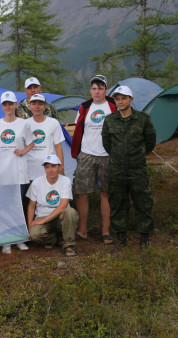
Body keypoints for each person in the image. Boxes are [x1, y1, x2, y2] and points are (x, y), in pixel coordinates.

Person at [102, 86, 156, 249]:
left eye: (123, 98)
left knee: (143, 203)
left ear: (131, 99)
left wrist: (137, 156)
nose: (120, 101)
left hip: (137, 170)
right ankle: (121, 237)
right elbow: (107, 144)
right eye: (117, 99)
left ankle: (144, 237)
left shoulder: (143, 119)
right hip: (117, 170)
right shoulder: (110, 120)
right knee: (118, 203)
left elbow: (150, 142)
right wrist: (118, 158)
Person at [71, 74, 117, 244]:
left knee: (106, 193)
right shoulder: (85, 107)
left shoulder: (113, 106)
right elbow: (78, 130)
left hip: (107, 155)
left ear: (106, 90)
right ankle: (82, 231)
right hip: (86, 154)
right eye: (94, 88)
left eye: (100, 88)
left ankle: (106, 231)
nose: (97, 91)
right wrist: (76, 152)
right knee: (82, 192)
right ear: (90, 90)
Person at [0, 91, 34, 254]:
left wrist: (23, 151)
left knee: (19, 206)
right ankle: (6, 239)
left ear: (16, 105)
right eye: (5, 104)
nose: (8, 107)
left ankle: (20, 237)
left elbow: (31, 143)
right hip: (2, 172)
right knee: (5, 206)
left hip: (19, 172)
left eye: (10, 103)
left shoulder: (24, 124)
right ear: (2, 106)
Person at [26, 154, 79, 257]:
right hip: (42, 215)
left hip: (60, 217)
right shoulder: (37, 182)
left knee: (70, 212)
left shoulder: (65, 181)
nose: (50, 170)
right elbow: (31, 206)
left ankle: (69, 245)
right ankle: (55, 239)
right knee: (34, 234)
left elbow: (63, 206)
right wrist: (29, 227)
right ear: (44, 169)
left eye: (53, 166)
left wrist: (43, 221)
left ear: (59, 167)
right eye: (47, 167)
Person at [26, 94, 65, 181]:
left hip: (50, 171)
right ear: (29, 107)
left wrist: (61, 167)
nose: (37, 107)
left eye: (40, 104)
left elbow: (58, 146)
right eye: (34, 104)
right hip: (30, 172)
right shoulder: (25, 124)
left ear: (44, 107)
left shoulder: (53, 123)